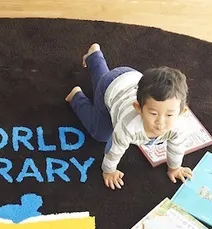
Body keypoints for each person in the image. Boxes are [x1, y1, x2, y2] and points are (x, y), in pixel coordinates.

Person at [65, 43, 194, 190]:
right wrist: (109, 171)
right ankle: (76, 97)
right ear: (138, 108)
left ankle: (94, 57)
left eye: (169, 114)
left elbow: (177, 147)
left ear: (182, 112)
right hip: (110, 86)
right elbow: (113, 150)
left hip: (132, 79)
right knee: (101, 134)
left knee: (105, 80)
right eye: (153, 113)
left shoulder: (179, 126)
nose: (160, 122)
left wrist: (174, 168)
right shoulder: (128, 126)